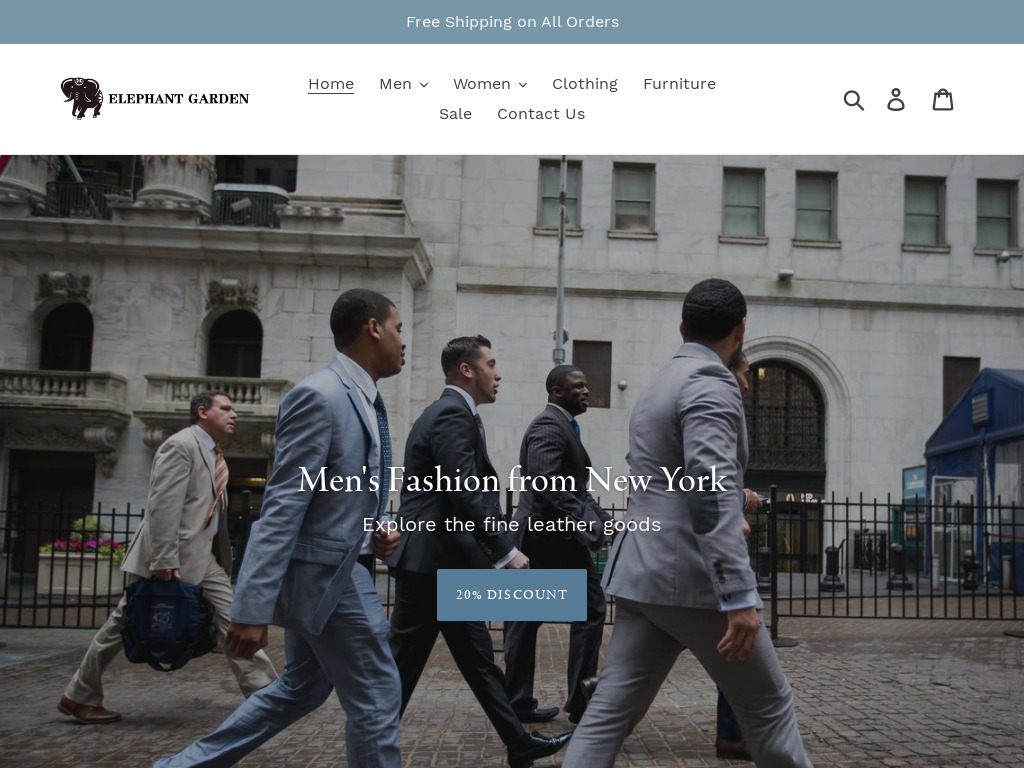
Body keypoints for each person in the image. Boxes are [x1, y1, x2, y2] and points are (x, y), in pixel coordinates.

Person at [560, 279, 813, 768]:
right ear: (741, 330)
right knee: (769, 706)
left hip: (643, 573)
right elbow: (708, 489)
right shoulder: (710, 382)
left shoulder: (659, 384)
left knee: (608, 714)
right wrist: (738, 595)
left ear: (682, 328)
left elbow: (679, 480)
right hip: (695, 579)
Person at [152, 288, 406, 768]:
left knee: (300, 688)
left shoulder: (365, 398)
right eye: (399, 328)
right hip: (332, 577)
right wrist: (251, 608)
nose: (403, 340)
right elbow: (284, 504)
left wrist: (380, 526)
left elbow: (344, 494)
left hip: (334, 569)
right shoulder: (320, 395)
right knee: (377, 694)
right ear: (374, 328)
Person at [388, 335, 572, 768]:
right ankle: (370, 740)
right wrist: (505, 552)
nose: (498, 374)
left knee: (479, 662)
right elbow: (464, 490)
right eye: (491, 364)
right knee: (401, 668)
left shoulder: (457, 413)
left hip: (444, 564)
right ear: (466, 370)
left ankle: (518, 742)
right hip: (432, 565)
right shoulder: (452, 413)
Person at [59, 391, 278, 725]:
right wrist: (163, 559)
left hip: (200, 556)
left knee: (232, 617)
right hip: (169, 558)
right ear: (202, 411)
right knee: (123, 623)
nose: (234, 414)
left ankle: (265, 693)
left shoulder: (211, 451)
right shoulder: (181, 445)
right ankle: (79, 695)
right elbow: (162, 505)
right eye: (225, 408)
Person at [504, 365, 610, 724]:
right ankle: (532, 702)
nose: (586, 391)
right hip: (543, 538)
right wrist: (586, 524)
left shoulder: (564, 426)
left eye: (586, 385)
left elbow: (575, 490)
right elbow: (546, 484)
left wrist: (602, 518)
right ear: (555, 391)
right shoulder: (548, 426)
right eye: (577, 386)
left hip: (557, 537)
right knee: (535, 618)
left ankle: (562, 701)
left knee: (543, 617)